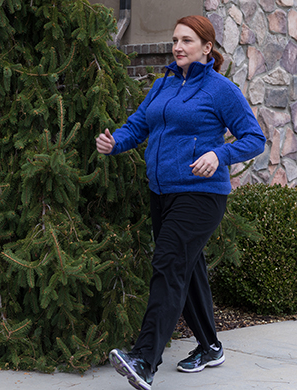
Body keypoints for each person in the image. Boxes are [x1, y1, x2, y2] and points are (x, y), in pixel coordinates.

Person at [96, 15, 266, 390]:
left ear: (207, 48)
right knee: (186, 269)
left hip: (201, 194)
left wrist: (219, 155)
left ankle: (144, 360)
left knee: (169, 264)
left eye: (187, 40)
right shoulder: (163, 85)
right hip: (163, 193)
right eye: (175, 39)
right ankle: (210, 346)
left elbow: (254, 138)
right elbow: (138, 125)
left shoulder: (220, 90)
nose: (177, 46)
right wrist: (115, 142)